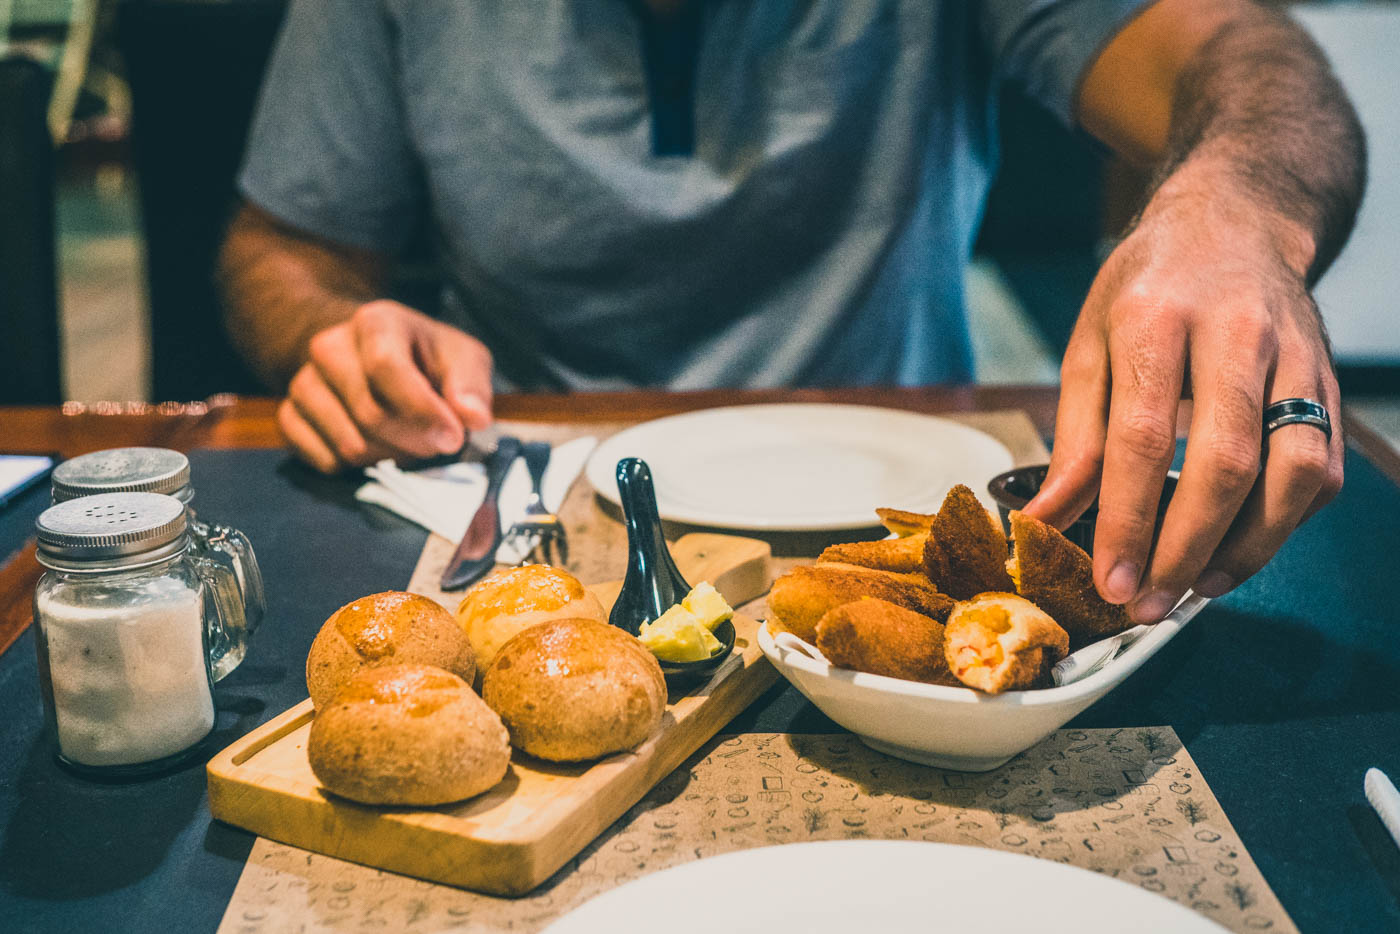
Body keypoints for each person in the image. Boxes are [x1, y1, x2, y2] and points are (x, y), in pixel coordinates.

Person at [220, 0, 1364, 624]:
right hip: (536, 523)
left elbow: (1235, 49)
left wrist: (1237, 202)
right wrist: (334, 328)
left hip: (915, 526)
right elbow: (281, 249)